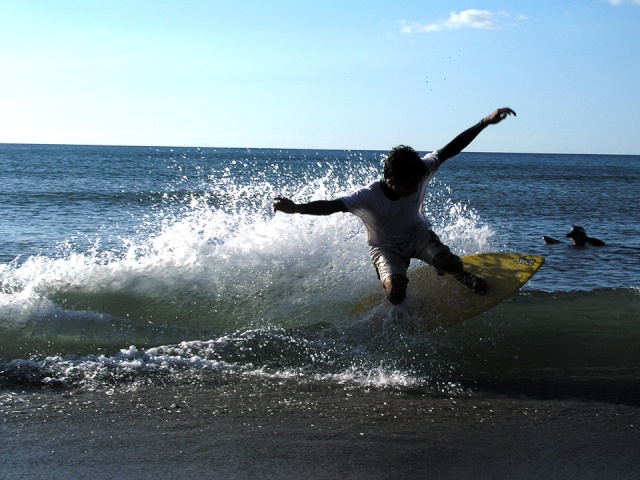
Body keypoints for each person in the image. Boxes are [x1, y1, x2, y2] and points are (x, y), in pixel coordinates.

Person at [273, 107, 517, 305]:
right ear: (391, 182)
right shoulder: (366, 196)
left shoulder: (420, 169)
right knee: (395, 294)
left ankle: (461, 276)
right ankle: (404, 308)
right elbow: (332, 206)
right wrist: (297, 209)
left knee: (450, 264)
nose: (416, 188)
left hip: (417, 235)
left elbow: (451, 148)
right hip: (385, 247)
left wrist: (484, 121)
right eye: (409, 185)